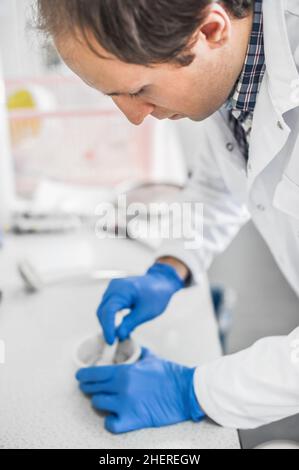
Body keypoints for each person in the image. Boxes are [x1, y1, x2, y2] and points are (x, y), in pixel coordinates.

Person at [37, 0, 299, 434]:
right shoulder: (235, 61)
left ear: (212, 30)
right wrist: (171, 266)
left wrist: (193, 391)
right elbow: (225, 176)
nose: (134, 117)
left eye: (139, 90)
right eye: (112, 94)